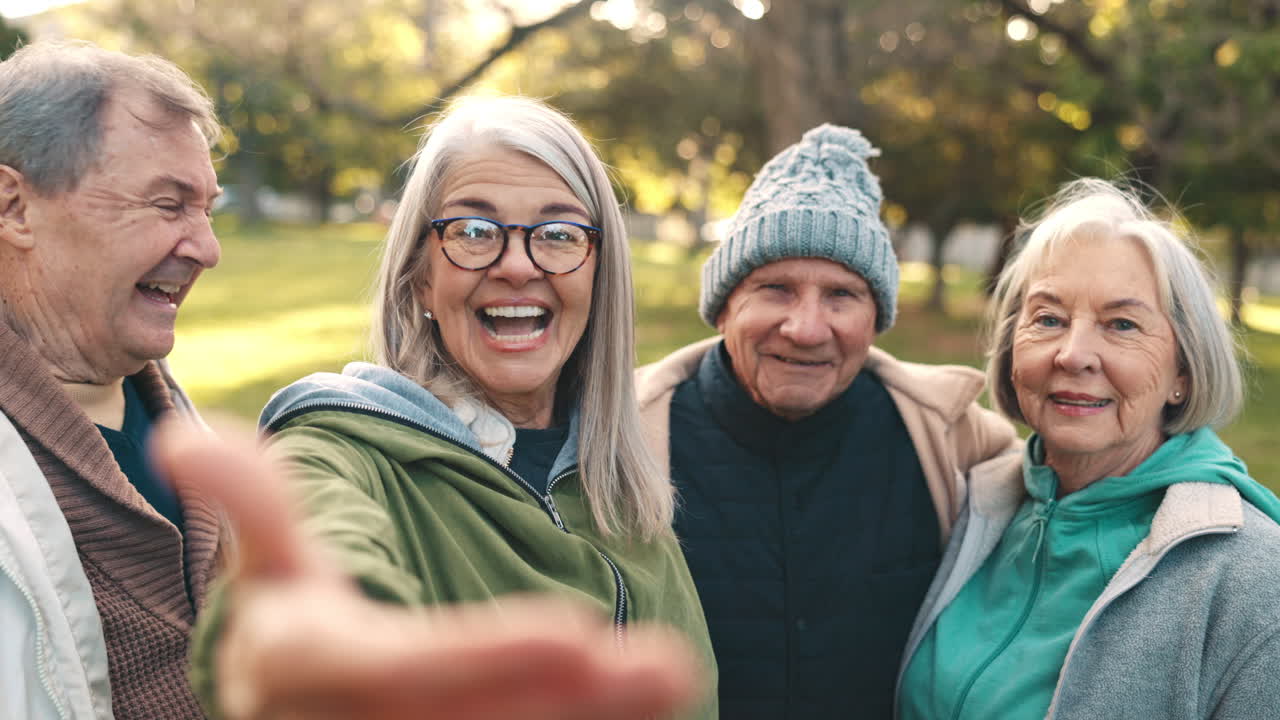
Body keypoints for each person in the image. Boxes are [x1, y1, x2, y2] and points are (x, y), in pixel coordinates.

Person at [184, 96, 715, 719]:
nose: (517, 265)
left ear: (599, 275)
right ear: (421, 279)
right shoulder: (344, 450)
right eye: (472, 231)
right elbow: (319, 539)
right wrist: (302, 629)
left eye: (560, 233)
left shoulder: (625, 475)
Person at [635, 124, 1019, 717]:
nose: (807, 328)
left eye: (841, 295)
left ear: (875, 318)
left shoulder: (954, 445)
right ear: (724, 306)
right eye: (776, 289)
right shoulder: (621, 439)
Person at [896, 179, 1280, 719]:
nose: (1073, 355)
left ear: (1184, 374)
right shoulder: (975, 505)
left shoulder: (1254, 581)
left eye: (1122, 324)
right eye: (1048, 319)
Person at [0, 40, 225, 719]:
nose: (208, 249)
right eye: (168, 204)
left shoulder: (173, 416)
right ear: (14, 207)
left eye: (207, 207)